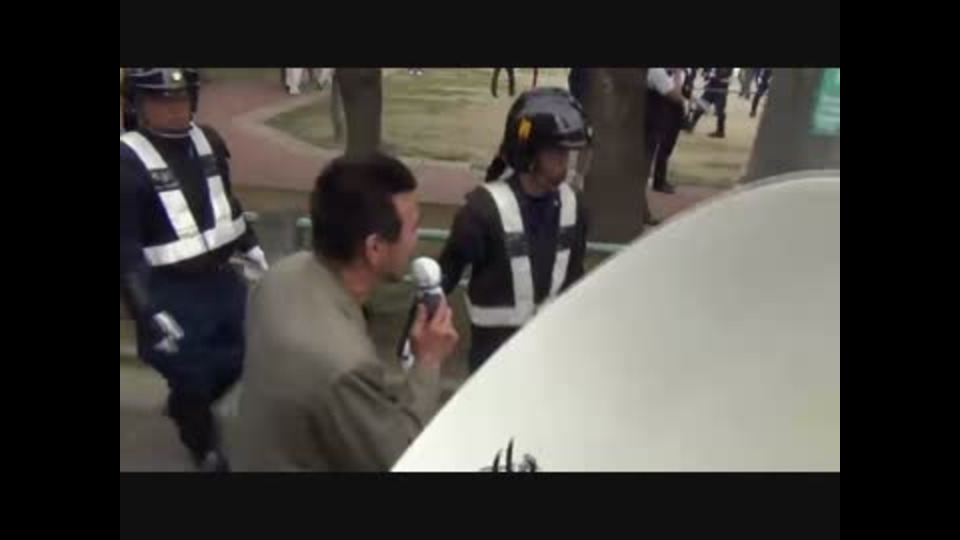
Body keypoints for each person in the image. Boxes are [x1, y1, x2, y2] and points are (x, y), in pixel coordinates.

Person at [231, 154, 459, 472]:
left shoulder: (280, 275)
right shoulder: (346, 365)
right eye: (413, 228)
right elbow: (397, 457)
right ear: (375, 248)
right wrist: (429, 361)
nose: (416, 240)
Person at [119, 68, 268, 472]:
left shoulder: (209, 141)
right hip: (168, 289)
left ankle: (186, 405)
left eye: (181, 98)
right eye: (161, 99)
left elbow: (226, 202)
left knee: (243, 355)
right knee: (189, 372)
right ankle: (204, 447)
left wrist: (249, 243)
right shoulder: (126, 162)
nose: (174, 108)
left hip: (221, 280)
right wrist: (146, 310)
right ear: (138, 105)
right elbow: (125, 249)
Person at [438, 87, 591, 373]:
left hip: (553, 357)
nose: (564, 161)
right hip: (492, 362)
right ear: (528, 152)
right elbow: (445, 275)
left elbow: (574, 279)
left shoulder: (575, 207)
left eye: (567, 152)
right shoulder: (481, 211)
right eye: (555, 152)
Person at [645, 68, 688, 195]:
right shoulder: (657, 71)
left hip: (671, 114)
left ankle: (660, 180)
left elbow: (682, 91)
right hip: (661, 113)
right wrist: (677, 75)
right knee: (655, 147)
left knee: (666, 147)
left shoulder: (676, 71)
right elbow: (675, 96)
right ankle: (658, 182)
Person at [686, 67, 734, 138]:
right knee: (701, 106)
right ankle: (691, 125)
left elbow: (725, 78)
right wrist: (707, 75)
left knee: (720, 111)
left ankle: (720, 131)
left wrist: (712, 77)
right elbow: (705, 74)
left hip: (720, 90)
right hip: (710, 88)